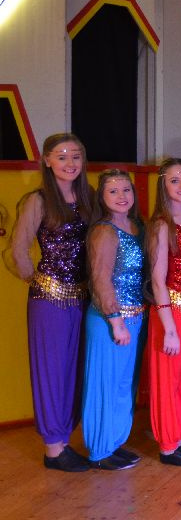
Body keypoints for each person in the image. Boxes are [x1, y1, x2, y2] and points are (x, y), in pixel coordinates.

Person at [10, 133, 95, 472]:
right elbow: (17, 249)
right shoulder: (38, 200)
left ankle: (65, 440)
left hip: (83, 298)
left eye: (75, 156)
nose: (70, 163)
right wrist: (38, 281)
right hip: (50, 301)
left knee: (75, 371)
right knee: (51, 371)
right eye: (61, 156)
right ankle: (54, 449)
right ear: (46, 161)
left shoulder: (88, 198)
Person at [81, 169, 146, 470]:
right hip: (110, 320)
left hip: (134, 317)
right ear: (102, 197)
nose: (122, 196)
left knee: (123, 385)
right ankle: (99, 450)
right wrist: (115, 320)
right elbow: (101, 279)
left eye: (126, 190)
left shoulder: (135, 226)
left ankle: (114, 442)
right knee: (104, 384)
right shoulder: (104, 231)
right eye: (113, 191)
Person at [145, 158, 181, 467]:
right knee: (169, 378)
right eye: (175, 180)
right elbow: (157, 279)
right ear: (163, 186)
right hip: (172, 311)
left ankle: (180, 436)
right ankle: (168, 444)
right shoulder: (161, 224)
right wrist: (168, 327)